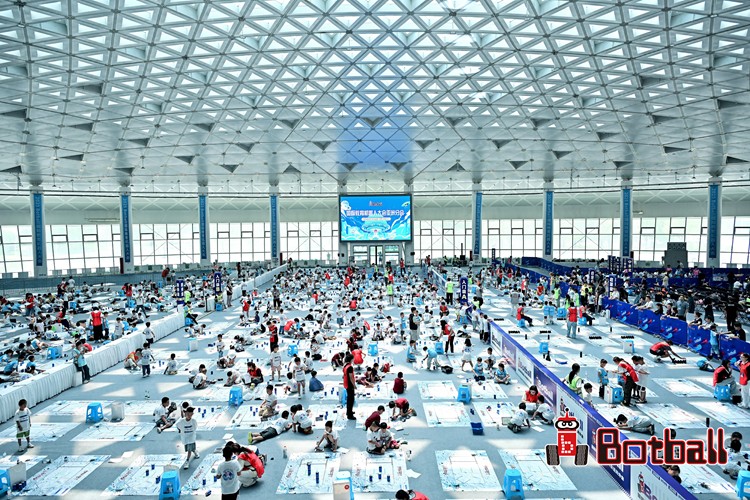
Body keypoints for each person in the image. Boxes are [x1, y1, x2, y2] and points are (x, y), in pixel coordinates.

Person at [343, 353, 356, 420]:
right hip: (350, 385)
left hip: (346, 384)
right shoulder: (350, 367)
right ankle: (349, 414)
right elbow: (351, 377)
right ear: (351, 359)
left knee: (349, 399)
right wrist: (354, 385)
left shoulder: (345, 365)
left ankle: (349, 411)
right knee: (351, 400)